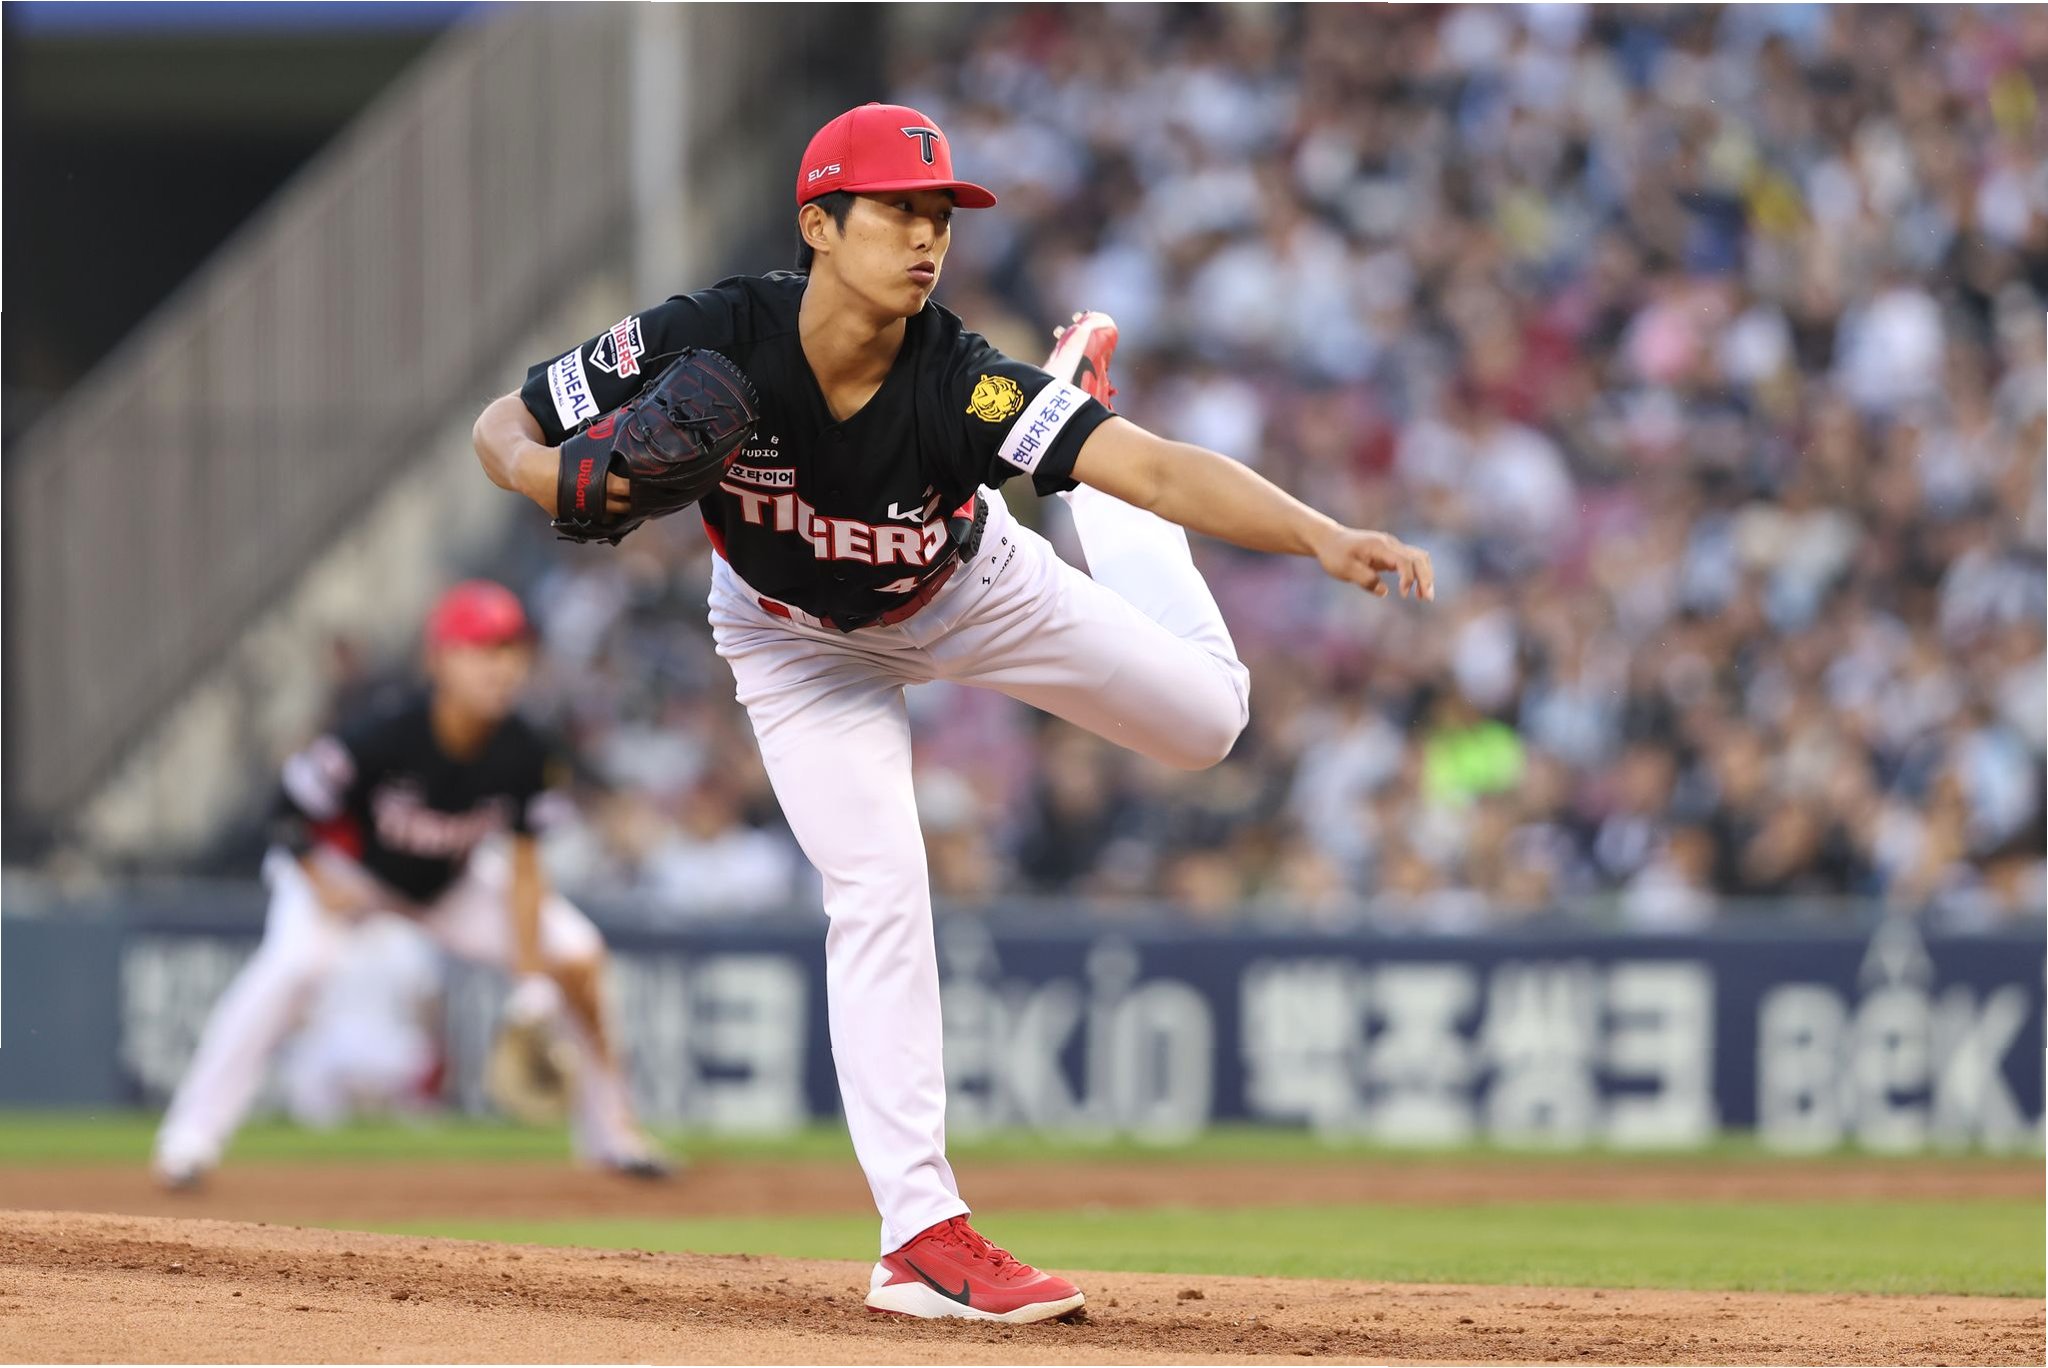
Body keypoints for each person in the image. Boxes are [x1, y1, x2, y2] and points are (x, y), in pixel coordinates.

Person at [471, 102, 1432, 1324]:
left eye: (939, 216)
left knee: (1208, 725)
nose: (926, 237)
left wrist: (1318, 533)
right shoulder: (709, 333)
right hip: (790, 640)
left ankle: (1084, 453)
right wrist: (543, 472)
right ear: (819, 224)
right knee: (875, 890)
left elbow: (1157, 466)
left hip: (970, 590)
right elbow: (504, 423)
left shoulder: (956, 379)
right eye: (897, 211)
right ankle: (918, 1237)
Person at [152, 580, 666, 1188]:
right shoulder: (384, 730)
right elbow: (287, 805)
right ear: (439, 659)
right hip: (346, 871)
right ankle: (190, 1137)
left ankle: (612, 1134)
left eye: (511, 649)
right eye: (481, 649)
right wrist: (318, 879)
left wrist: (532, 984)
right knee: (296, 967)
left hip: (446, 885)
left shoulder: (526, 749)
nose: (500, 666)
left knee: (577, 954)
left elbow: (526, 867)